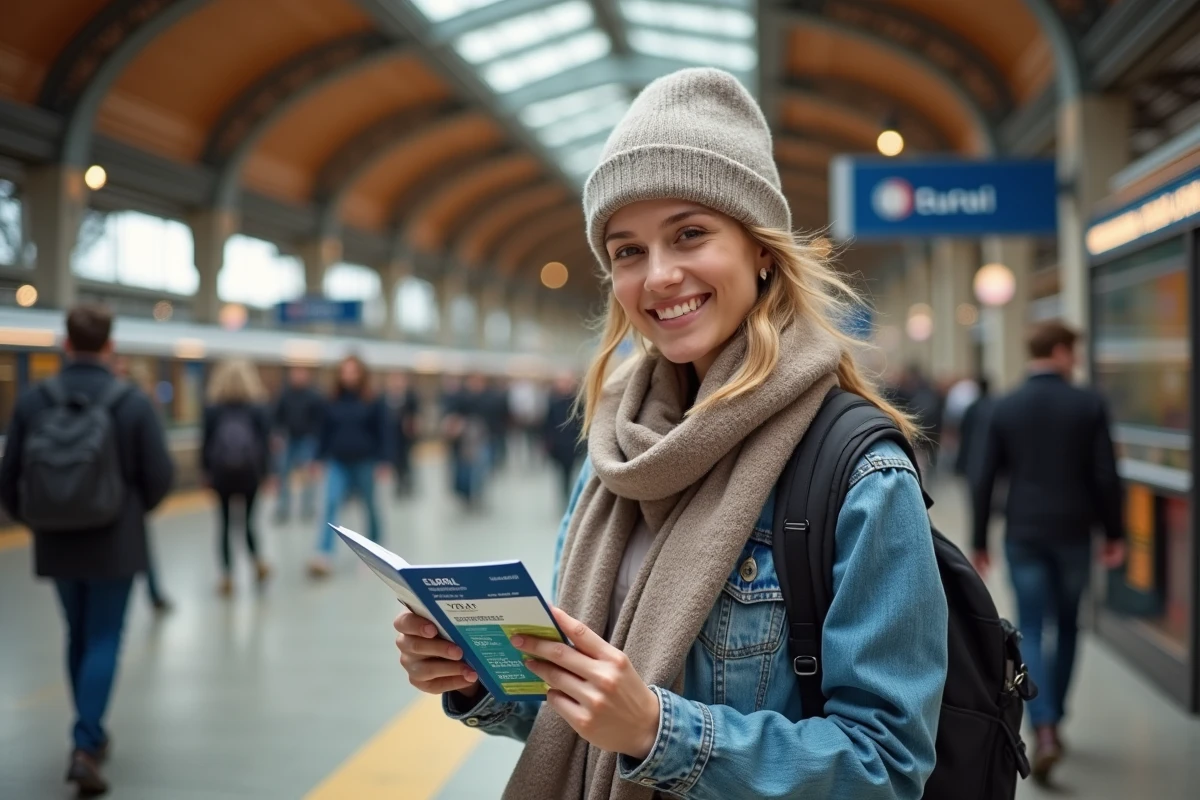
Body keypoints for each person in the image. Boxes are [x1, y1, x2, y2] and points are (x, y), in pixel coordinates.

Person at [393, 68, 947, 800]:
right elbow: (584, 720)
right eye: (627, 251)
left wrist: (659, 732)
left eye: (690, 234)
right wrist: (479, 679)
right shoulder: (613, 454)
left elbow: (886, 764)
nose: (658, 276)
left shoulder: (858, 473)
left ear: (760, 249)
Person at [0, 304, 174, 796]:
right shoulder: (131, 402)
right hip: (115, 542)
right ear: (111, 346)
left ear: (66, 343)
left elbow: (9, 479)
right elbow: (158, 478)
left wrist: (39, 519)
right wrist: (130, 510)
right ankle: (85, 742)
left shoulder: (35, 401)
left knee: (76, 632)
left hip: (56, 542)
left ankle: (88, 733)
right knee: (104, 637)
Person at [972, 321, 1126, 783]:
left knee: (1032, 627)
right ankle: (1056, 718)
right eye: (1073, 352)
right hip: (1075, 534)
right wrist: (1115, 533)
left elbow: (984, 476)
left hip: (1023, 532)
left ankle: (1042, 728)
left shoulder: (1006, 406)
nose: (1075, 361)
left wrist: (979, 538)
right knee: (1070, 623)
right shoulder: (1089, 404)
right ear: (1060, 352)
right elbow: (1105, 474)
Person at [309, 355, 388, 577]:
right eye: (345, 371)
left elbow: (383, 431)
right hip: (338, 461)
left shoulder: (372, 400)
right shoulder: (332, 401)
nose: (349, 376)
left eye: (353, 371)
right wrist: (317, 459)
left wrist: (384, 461)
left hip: (365, 461)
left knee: (369, 505)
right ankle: (323, 554)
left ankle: (375, 553)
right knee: (331, 502)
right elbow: (323, 432)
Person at [202, 359, 272, 596]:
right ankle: (257, 563)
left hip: (221, 475)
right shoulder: (258, 408)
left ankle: (227, 575)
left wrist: (206, 473)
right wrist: (266, 474)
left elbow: (205, 443)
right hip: (250, 475)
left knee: (224, 524)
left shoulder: (212, 408)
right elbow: (265, 445)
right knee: (248, 523)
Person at [272, 366, 324, 522]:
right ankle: (283, 508)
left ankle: (307, 508)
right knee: (283, 475)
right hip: (289, 439)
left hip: (307, 440)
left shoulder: (313, 396)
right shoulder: (285, 395)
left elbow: (319, 419)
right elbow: (277, 416)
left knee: (307, 476)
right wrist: (277, 436)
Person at [543, 372, 584, 504]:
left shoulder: (577, 402)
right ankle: (565, 496)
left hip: (573, 443)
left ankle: (572, 496)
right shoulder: (552, 401)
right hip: (558, 444)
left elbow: (582, 423)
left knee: (573, 471)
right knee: (562, 473)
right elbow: (547, 424)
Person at [384, 372, 421, 498]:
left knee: (406, 460)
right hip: (392, 435)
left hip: (406, 435)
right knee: (396, 461)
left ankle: (407, 483)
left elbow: (415, 416)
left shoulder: (410, 397)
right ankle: (399, 483)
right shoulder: (386, 397)